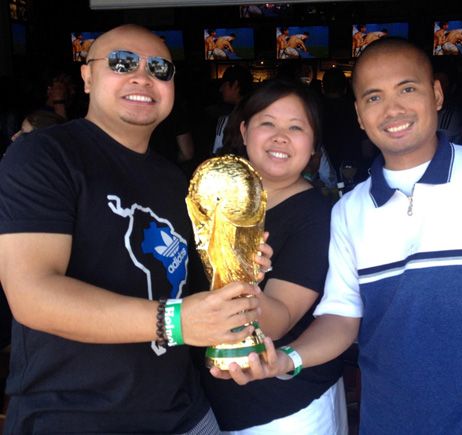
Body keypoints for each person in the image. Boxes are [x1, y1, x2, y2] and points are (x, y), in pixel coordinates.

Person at [213, 38, 462, 435]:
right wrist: (286, 359)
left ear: (437, 94)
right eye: (374, 97)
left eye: (407, 89)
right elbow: (342, 319)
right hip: (388, 422)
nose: (393, 109)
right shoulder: (349, 211)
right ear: (359, 114)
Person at [0, 24, 272, 434]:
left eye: (160, 69)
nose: (143, 77)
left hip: (185, 411)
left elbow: (191, 291)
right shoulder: (45, 155)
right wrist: (175, 322)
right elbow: (31, 293)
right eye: (122, 63)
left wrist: (237, 266)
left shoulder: (176, 181)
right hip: (76, 417)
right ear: (87, 77)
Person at [201, 79, 347, 434]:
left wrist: (244, 280)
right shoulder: (211, 196)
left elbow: (277, 321)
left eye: (296, 127)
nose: (281, 136)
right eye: (268, 123)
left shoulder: (316, 215)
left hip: (283, 409)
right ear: (244, 130)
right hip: (206, 404)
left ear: (313, 143)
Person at [212, 65, 253, 155]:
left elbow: (217, 156)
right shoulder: (259, 114)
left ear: (235, 85)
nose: (221, 89)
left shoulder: (226, 121)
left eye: (224, 85)